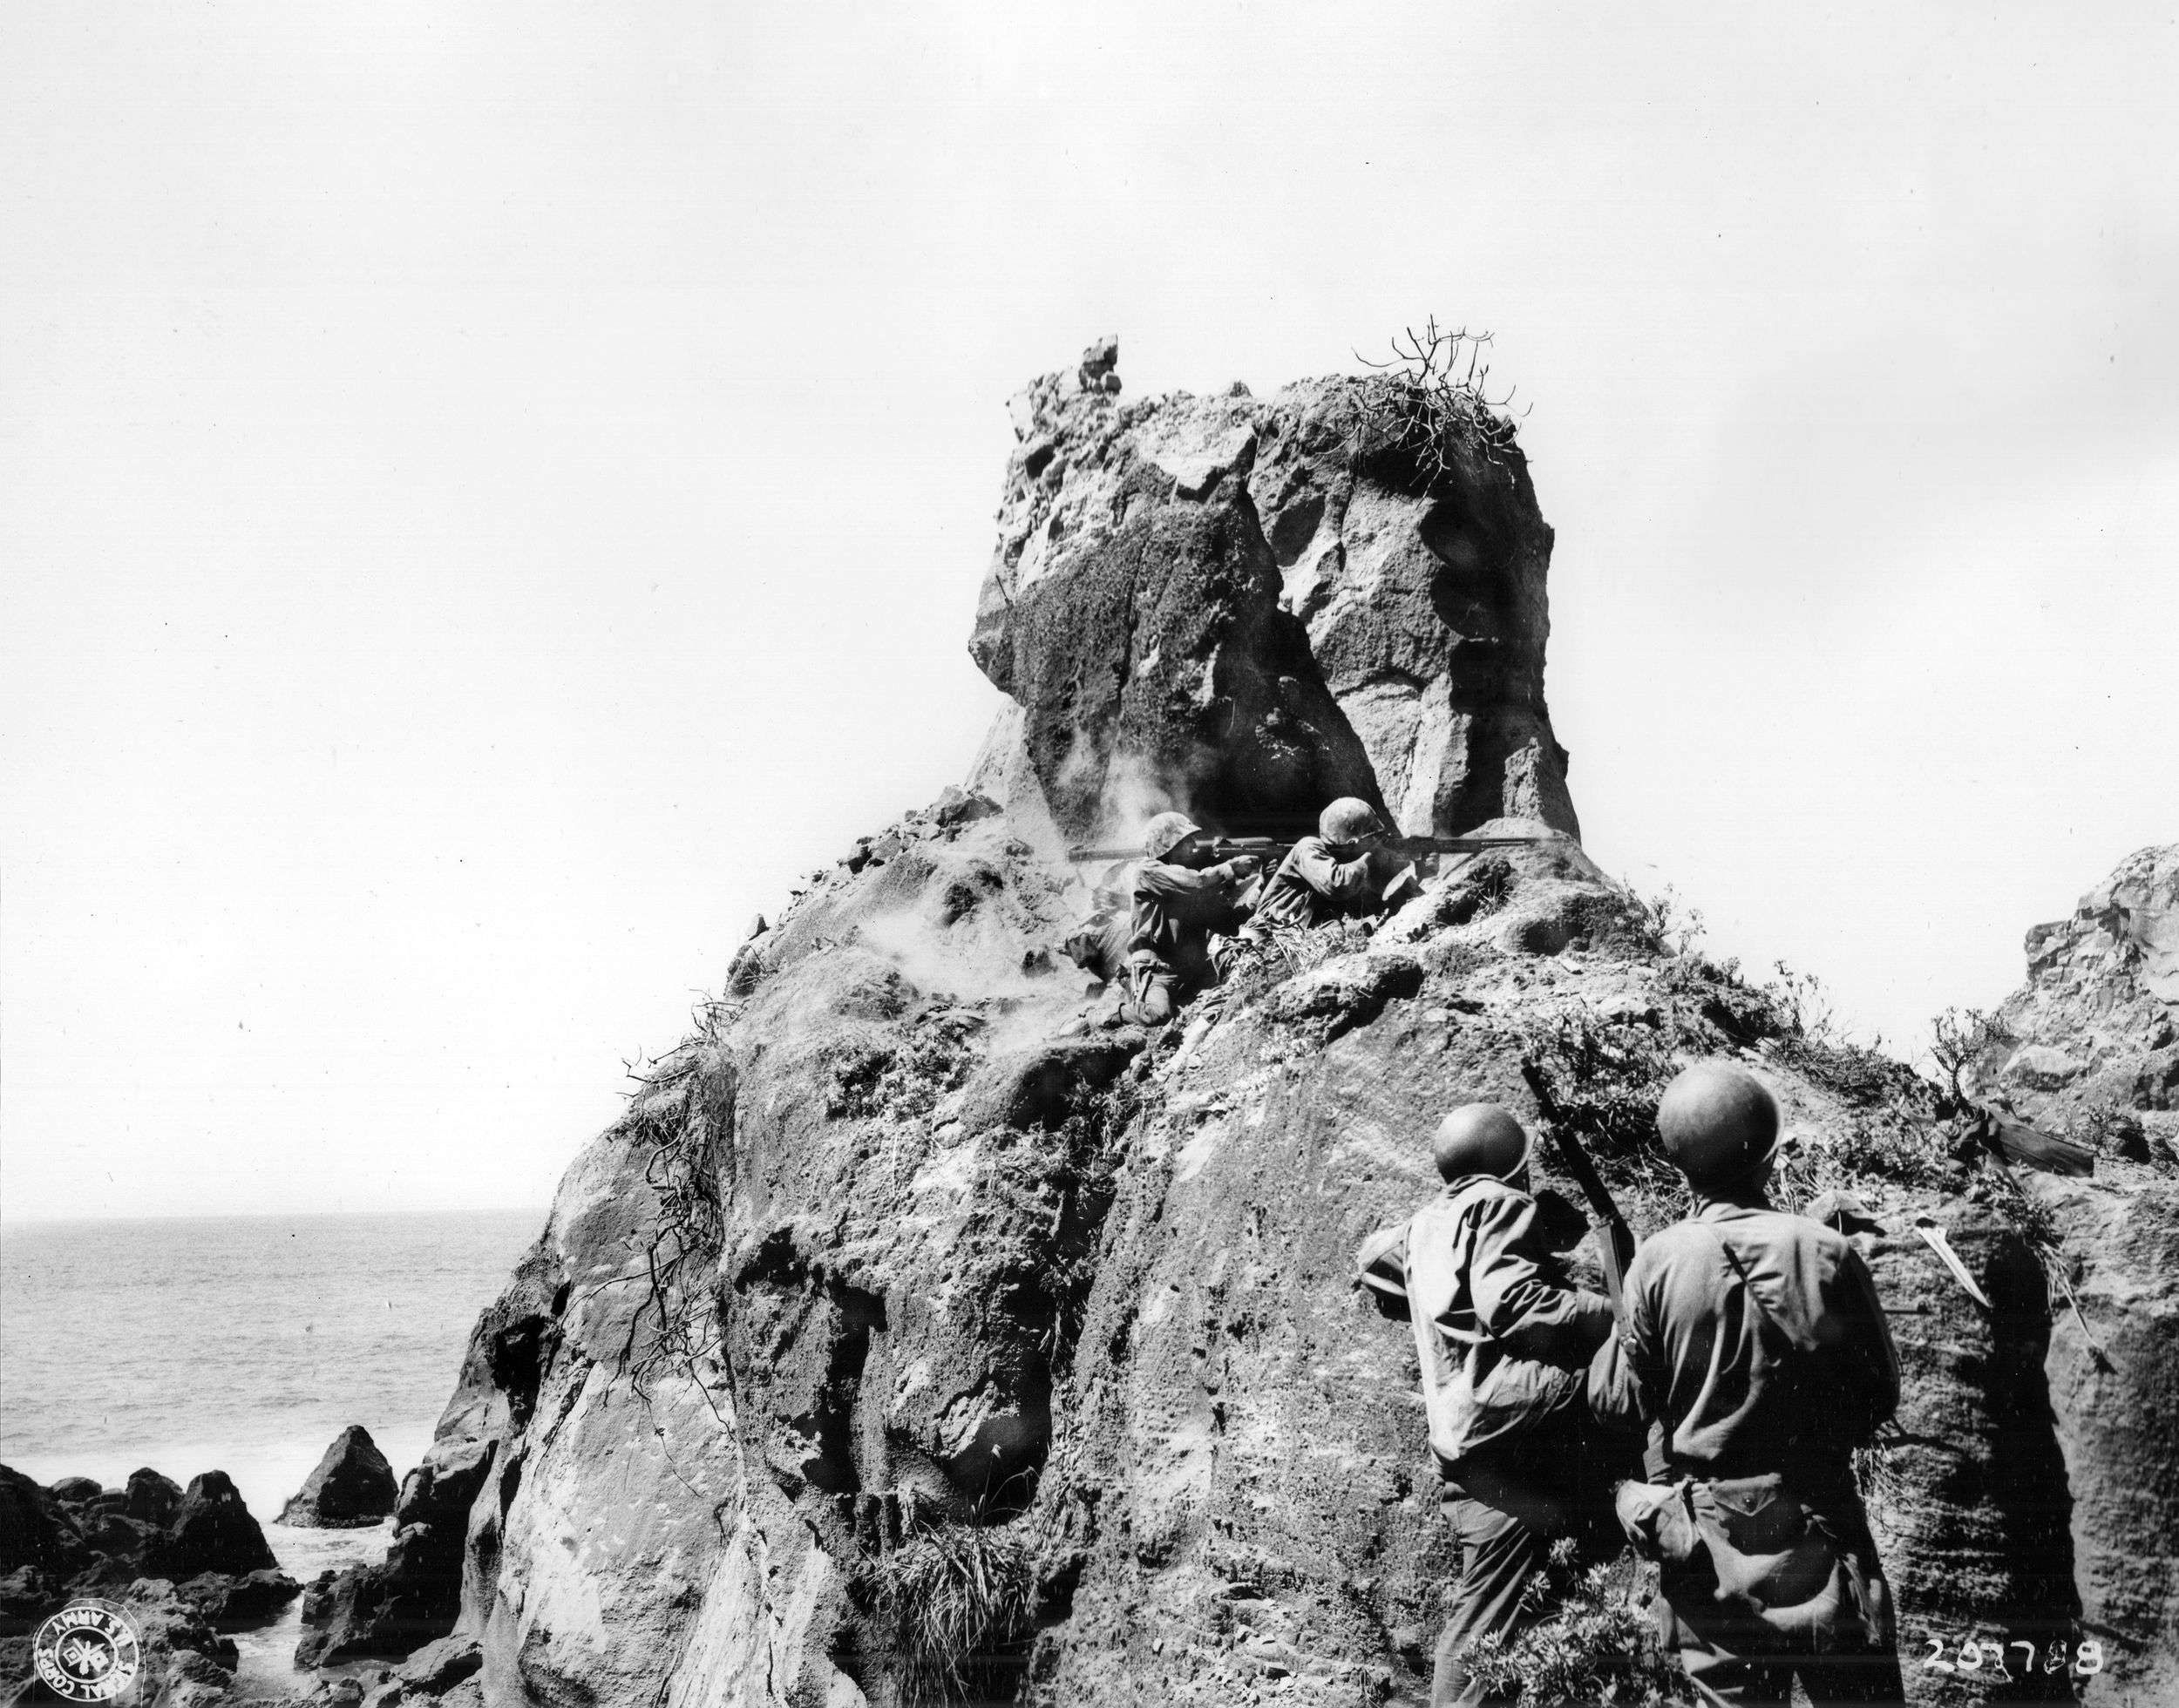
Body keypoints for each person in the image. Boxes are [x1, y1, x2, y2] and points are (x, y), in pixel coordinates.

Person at [1588, 1062, 1904, 1706]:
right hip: (1822, 1523)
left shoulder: (1656, 1261)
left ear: (1680, 1167)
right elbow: (1878, 1393)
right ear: (1767, 1157)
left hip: (1712, 1543)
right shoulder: (1825, 1251)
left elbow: (1616, 1401)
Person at [1406, 1103, 1619, 1706]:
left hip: (1462, 1435)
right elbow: (1515, 1306)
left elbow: (1375, 1263)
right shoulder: (1504, 1204)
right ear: (1516, 1170)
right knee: (1625, 1374)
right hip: (1504, 1419)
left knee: (1492, 1611)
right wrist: (1613, 1315)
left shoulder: (1425, 1223)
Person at [1117, 811, 1260, 1027]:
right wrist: (1231, 868)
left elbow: (1231, 924)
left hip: (1187, 970)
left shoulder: (1195, 890)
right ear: (1165, 845)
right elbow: (1197, 883)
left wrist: (1262, 885)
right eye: (1185, 841)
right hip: (1155, 967)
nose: (1193, 846)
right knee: (1156, 1016)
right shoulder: (1148, 871)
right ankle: (1098, 1018)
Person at [1250, 796, 1415, 931]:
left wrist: (1416, 877)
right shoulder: (1308, 847)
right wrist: (1370, 856)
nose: (1376, 843)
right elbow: (1336, 885)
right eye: (1371, 840)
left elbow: (1367, 911)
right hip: (1270, 933)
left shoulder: (1348, 865)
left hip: (1299, 934)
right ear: (1350, 843)